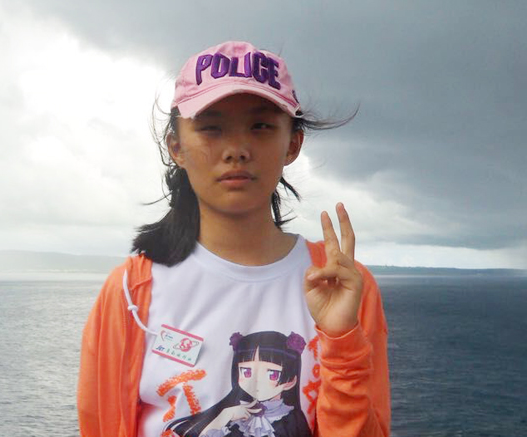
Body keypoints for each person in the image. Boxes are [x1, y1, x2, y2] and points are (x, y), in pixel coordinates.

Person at [77, 41, 390, 437]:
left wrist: (342, 342)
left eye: (261, 126)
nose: (237, 150)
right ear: (177, 146)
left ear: (293, 143)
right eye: (211, 127)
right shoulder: (133, 290)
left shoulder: (340, 286)